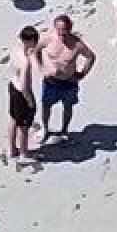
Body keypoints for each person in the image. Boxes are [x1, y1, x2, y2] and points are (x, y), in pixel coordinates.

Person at [37, 14, 96, 142]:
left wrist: (82, 74)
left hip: (69, 82)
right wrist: (41, 67)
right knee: (46, 105)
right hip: (51, 81)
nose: (63, 34)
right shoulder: (48, 39)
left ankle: (64, 130)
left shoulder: (77, 44)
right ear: (55, 28)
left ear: (70, 28)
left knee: (68, 107)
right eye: (60, 31)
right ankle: (45, 128)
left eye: (66, 31)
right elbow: (36, 50)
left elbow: (91, 57)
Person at [7, 25, 40, 166]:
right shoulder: (25, 63)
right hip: (21, 94)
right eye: (35, 41)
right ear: (29, 41)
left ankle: (11, 149)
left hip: (12, 87)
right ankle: (23, 154)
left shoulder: (15, 49)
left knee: (13, 119)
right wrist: (30, 102)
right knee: (24, 126)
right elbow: (24, 86)